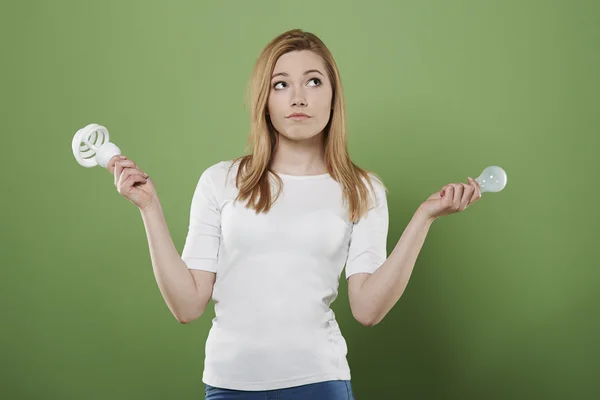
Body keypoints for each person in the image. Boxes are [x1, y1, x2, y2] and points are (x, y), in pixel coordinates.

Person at [106, 29, 482, 400]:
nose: (298, 98)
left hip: (320, 383)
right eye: (281, 84)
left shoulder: (362, 189)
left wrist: (424, 217)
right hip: (230, 385)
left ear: (334, 97)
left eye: (314, 82)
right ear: (264, 100)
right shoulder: (220, 181)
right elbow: (187, 305)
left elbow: (367, 309)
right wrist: (149, 208)